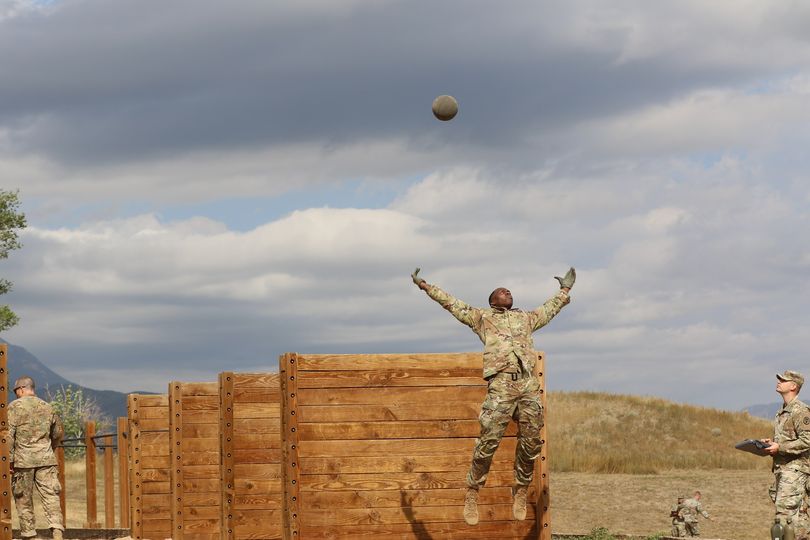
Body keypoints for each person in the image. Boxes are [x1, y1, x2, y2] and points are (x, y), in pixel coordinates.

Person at [411, 266, 574, 526]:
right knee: (489, 441)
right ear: (492, 301)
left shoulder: (526, 319)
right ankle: (473, 491)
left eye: (508, 290)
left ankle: (520, 489)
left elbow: (550, 308)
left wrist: (565, 289)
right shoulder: (482, 318)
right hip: (501, 386)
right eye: (501, 291)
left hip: (528, 385)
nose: (506, 291)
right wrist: (426, 287)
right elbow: (453, 304)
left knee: (532, 442)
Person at [8, 376, 65, 540]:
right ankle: (57, 531)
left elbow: (8, 436)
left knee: (23, 498)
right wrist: (49, 449)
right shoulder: (47, 407)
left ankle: (29, 534)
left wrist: (9, 460)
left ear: (21, 389)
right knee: (51, 496)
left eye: (16, 391)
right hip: (46, 460)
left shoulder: (13, 407)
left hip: (22, 461)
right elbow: (58, 434)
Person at [761, 370, 810, 540]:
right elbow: (787, 439)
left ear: (793, 386)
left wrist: (779, 447)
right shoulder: (782, 411)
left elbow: (807, 440)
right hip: (783, 470)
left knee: (784, 517)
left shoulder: (800, 411)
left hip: (795, 471)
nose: (779, 381)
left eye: (784, 380)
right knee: (798, 521)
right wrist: (770, 444)